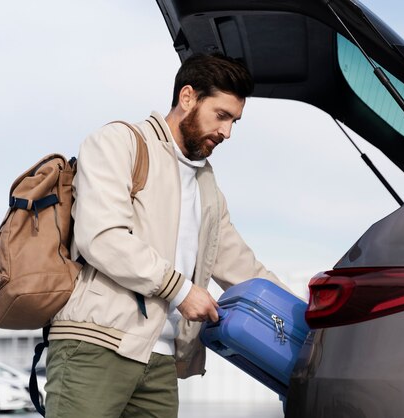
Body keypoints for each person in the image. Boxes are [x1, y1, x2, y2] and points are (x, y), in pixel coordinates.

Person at [44, 53, 289, 417]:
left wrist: (306, 316)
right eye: (221, 116)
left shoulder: (207, 185)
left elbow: (243, 267)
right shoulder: (119, 142)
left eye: (235, 121)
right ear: (187, 97)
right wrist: (181, 290)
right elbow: (102, 236)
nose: (227, 132)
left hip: (159, 360)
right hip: (95, 344)